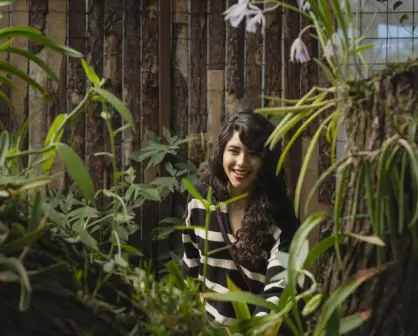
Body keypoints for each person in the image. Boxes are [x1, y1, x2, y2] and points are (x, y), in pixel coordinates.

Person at [182, 111, 304, 334]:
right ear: (221, 153)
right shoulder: (200, 200)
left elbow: (279, 291)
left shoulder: (283, 219)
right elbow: (190, 269)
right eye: (234, 151)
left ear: (266, 160)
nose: (241, 162)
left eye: (253, 154)